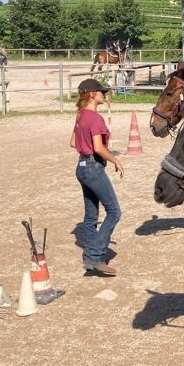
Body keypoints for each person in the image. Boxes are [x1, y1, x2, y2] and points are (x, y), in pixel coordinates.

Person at [69, 78, 124, 276]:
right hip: (93, 168)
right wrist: (115, 160)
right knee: (114, 212)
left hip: (82, 166)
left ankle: (89, 258)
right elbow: (99, 148)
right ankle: (95, 256)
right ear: (92, 94)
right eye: (101, 92)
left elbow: (73, 143)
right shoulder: (94, 118)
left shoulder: (80, 116)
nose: (104, 94)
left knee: (91, 215)